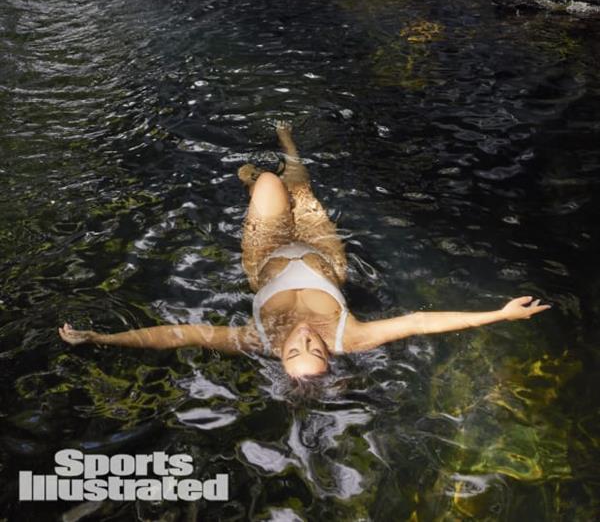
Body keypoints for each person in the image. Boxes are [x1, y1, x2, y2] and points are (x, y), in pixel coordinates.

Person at [59, 123, 551, 379]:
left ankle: (257, 180)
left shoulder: (255, 341)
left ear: (280, 356)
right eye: (313, 349)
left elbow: (177, 334)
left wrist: (103, 340)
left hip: (267, 254)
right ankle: (287, 141)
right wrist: (499, 315)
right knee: (302, 190)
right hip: (322, 256)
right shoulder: (352, 337)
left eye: (295, 350)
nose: (303, 340)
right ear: (329, 356)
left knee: (271, 186)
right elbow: (421, 322)